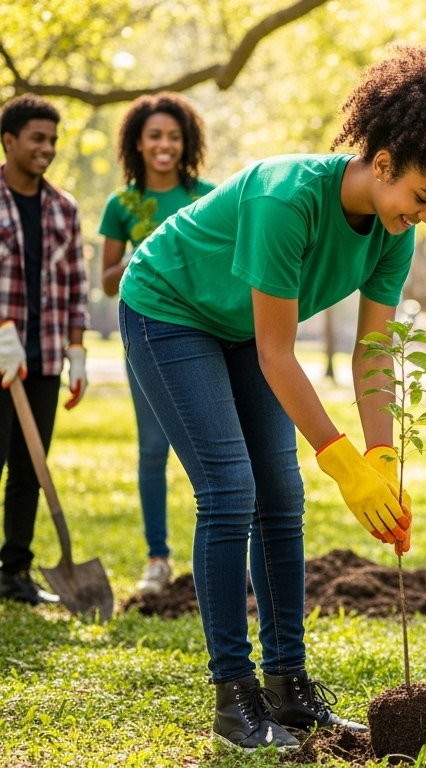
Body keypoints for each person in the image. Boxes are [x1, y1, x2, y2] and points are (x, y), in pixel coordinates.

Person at [118, 47, 426, 751]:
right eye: (422, 198)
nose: (425, 217)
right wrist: (339, 456)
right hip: (170, 307)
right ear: (382, 163)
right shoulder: (285, 198)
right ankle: (235, 700)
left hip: (240, 328)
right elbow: (276, 353)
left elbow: (372, 356)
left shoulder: (393, 234)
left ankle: (288, 690)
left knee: (282, 496)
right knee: (230, 492)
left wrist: (380, 457)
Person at [98, 92, 216, 595]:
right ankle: (157, 558)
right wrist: (138, 259)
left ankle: (220, 554)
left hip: (208, 333)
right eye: (155, 136)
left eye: (174, 136)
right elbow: (105, 280)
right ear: (137, 144)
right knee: (153, 447)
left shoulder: (207, 195)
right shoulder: (122, 205)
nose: (165, 145)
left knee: (217, 452)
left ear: (186, 142)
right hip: (147, 333)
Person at [0, 94, 89, 606]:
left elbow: (75, 286)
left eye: (53, 140)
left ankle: (14, 572)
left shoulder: (63, 208)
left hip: (44, 356)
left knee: (30, 468)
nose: (47, 148)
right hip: (1, 357)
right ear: (9, 140)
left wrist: (76, 351)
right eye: (38, 138)